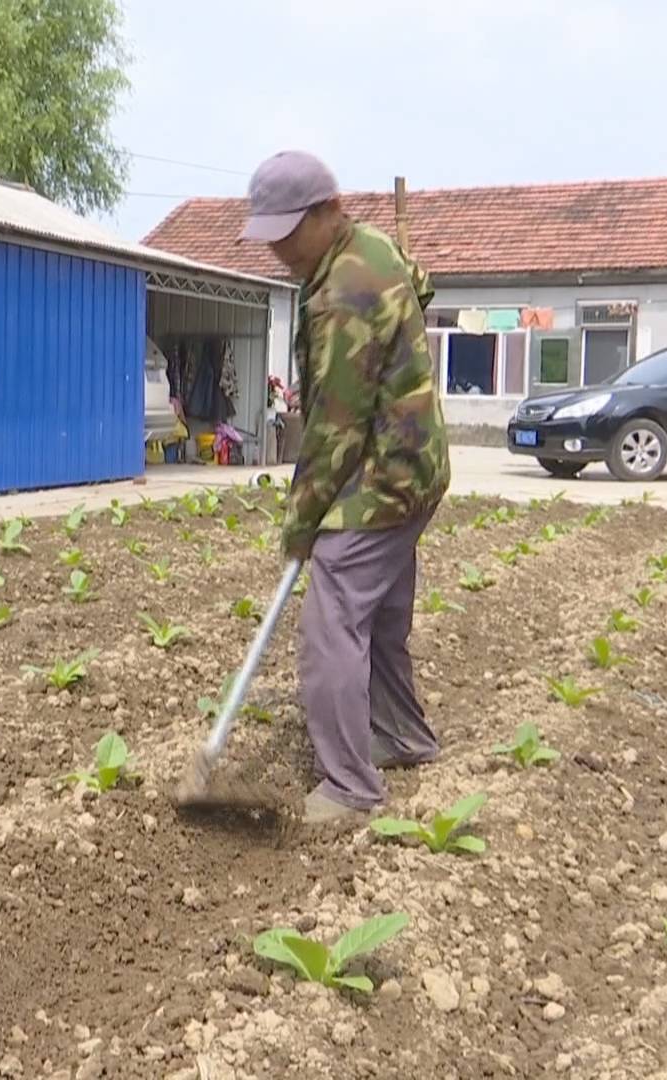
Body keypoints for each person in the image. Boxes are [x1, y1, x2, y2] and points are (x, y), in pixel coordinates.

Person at [239, 150, 452, 825]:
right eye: (268, 233)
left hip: (385, 475)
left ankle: (350, 788)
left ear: (329, 211)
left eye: (288, 230)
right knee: (382, 613)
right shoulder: (374, 249)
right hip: (418, 465)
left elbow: (333, 429)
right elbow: (422, 282)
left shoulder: (341, 295)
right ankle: (402, 736)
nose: (277, 247)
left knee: (332, 615)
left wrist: (302, 525)